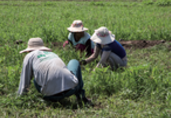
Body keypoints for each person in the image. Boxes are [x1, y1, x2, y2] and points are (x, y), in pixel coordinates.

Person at [18, 37, 90, 104]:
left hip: (49, 95)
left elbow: (25, 79)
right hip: (72, 89)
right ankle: (80, 96)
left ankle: (52, 95)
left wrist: (21, 97)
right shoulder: (52, 54)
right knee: (74, 61)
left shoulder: (29, 56)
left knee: (35, 80)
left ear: (28, 50)